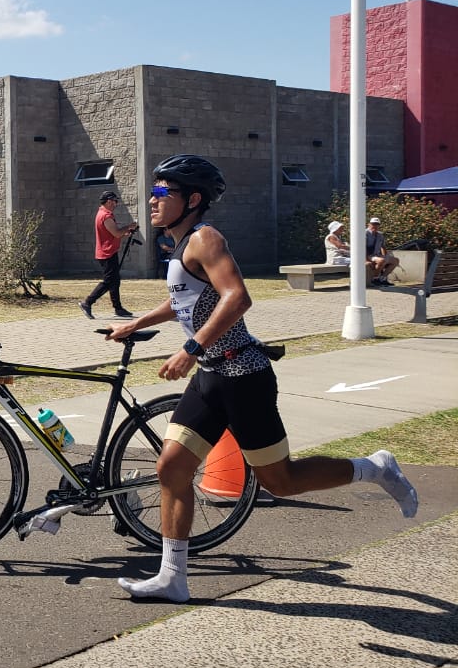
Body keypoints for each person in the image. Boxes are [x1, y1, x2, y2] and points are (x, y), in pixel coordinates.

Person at [104, 154, 417, 603]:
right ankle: (173, 577)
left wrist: (190, 349)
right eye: (152, 191)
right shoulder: (179, 245)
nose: (152, 200)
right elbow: (185, 303)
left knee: (281, 481)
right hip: (212, 377)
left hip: (244, 376)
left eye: (161, 192)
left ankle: (375, 468)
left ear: (192, 199)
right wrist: (135, 323)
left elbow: (237, 297)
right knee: (171, 467)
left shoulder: (205, 239)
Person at [79, 190, 138, 320]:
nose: (115, 204)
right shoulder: (106, 216)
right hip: (107, 252)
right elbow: (116, 233)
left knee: (115, 281)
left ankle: (118, 308)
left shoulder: (103, 213)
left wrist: (126, 232)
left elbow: (113, 234)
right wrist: (128, 227)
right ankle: (87, 303)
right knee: (109, 281)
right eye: (114, 201)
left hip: (109, 251)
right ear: (109, 201)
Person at [366, 217, 399, 285]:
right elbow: (362, 248)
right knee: (381, 261)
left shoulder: (380, 235)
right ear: (369, 224)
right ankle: (375, 279)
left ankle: (383, 278)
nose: (375, 226)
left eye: (377, 224)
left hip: (377, 255)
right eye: (373, 224)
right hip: (368, 255)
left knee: (395, 260)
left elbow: (383, 246)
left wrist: (385, 256)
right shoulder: (365, 233)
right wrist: (366, 260)